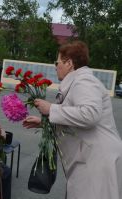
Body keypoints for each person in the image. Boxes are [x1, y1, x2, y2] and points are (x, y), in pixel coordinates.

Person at [23, 41, 122, 199]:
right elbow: (75, 120)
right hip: (91, 158)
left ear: (69, 63)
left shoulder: (83, 81)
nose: (55, 66)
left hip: (96, 161)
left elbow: (90, 114)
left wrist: (51, 109)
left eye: (57, 62)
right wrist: (45, 123)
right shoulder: (78, 81)